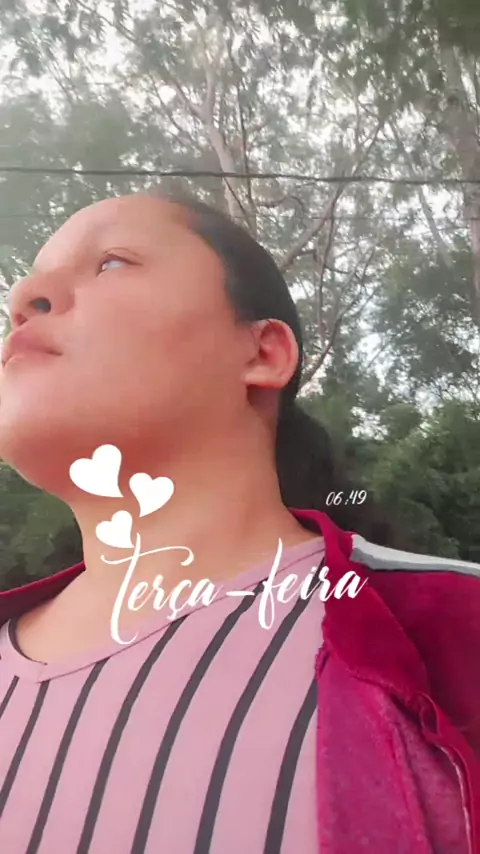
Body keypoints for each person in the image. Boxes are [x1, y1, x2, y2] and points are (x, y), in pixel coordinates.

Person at [0, 190, 478, 854]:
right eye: (30, 279)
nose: (24, 296)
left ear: (263, 353)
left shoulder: (456, 633)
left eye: (111, 262)